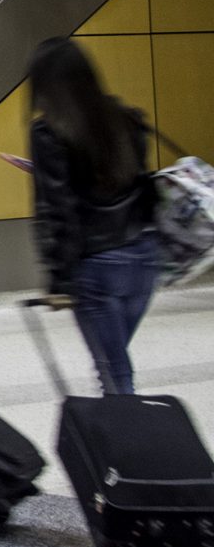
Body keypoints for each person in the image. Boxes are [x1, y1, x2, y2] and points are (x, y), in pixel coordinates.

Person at [28, 38, 160, 395]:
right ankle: (123, 442)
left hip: (98, 268)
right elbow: (135, 183)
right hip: (145, 259)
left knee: (116, 376)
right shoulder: (125, 117)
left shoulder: (48, 132)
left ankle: (131, 448)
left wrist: (59, 281)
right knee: (115, 368)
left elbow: (57, 210)